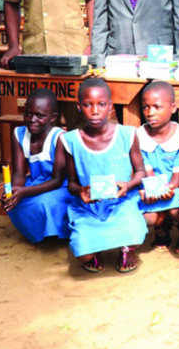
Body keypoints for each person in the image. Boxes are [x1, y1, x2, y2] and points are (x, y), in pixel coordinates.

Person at [59, 78, 147, 273]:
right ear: (79, 107)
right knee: (83, 254)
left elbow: (141, 172)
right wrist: (81, 190)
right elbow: (71, 183)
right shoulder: (70, 140)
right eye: (88, 104)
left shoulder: (127, 134)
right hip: (89, 207)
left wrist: (129, 184)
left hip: (120, 204)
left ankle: (126, 247)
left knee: (134, 234)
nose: (95, 110)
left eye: (101, 104)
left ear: (110, 106)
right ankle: (95, 249)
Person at [1, 88, 74, 243]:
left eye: (40, 116)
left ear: (53, 117)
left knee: (43, 203)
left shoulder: (60, 137)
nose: (32, 119)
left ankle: (56, 234)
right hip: (35, 184)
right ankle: (39, 231)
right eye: (28, 113)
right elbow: (19, 173)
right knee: (13, 201)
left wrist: (24, 191)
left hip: (60, 187)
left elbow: (57, 180)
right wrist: (14, 191)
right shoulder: (18, 133)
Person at [136, 81, 179, 254]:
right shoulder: (139, 136)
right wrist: (155, 190)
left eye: (157, 107)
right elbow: (148, 173)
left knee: (178, 210)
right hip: (151, 187)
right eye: (145, 107)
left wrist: (170, 189)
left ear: (173, 108)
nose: (150, 113)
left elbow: (177, 177)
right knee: (149, 216)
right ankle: (162, 228)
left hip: (176, 187)